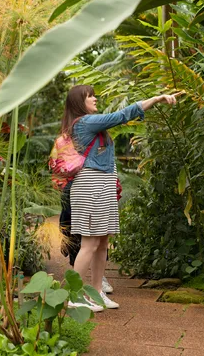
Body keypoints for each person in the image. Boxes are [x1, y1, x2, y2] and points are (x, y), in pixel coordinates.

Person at [62, 85, 180, 312]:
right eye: (90, 96)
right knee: (90, 242)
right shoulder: (85, 122)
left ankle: (96, 293)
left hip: (102, 183)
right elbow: (122, 116)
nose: (95, 99)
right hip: (90, 184)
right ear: (79, 102)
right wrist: (155, 99)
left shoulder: (91, 124)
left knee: (103, 240)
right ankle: (74, 296)